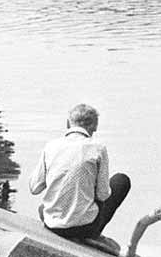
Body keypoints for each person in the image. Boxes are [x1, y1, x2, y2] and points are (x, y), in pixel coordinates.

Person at [30, 103, 131, 249]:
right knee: (121, 180)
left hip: (52, 224)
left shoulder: (51, 146)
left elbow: (34, 188)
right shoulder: (98, 148)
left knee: (43, 206)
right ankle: (93, 234)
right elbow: (103, 195)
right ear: (95, 127)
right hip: (84, 227)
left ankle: (72, 219)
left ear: (67, 123)